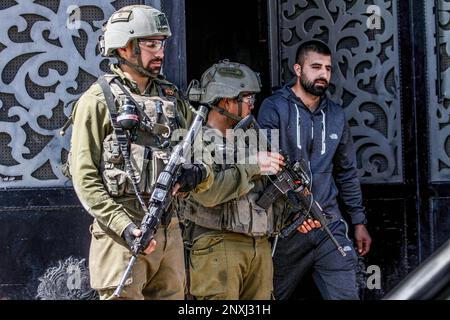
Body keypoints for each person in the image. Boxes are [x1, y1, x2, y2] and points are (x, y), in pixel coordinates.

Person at [68, 5, 212, 300]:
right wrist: (124, 227)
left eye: (161, 44)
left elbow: (204, 150)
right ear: (123, 47)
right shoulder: (98, 100)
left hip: (169, 233)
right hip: (122, 236)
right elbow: (84, 177)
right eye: (150, 44)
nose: (159, 52)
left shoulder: (172, 98)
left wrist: (198, 173)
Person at [176, 60, 320, 300]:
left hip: (259, 247)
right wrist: (254, 165)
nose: (253, 105)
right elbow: (208, 194)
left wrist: (296, 214)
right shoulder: (195, 141)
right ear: (226, 101)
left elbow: (265, 194)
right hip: (217, 246)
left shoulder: (252, 138)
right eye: (247, 99)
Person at [258, 40, 372, 300]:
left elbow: (346, 171)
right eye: (316, 67)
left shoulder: (336, 114)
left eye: (328, 69)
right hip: (285, 230)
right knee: (267, 297)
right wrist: (295, 211)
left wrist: (358, 221)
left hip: (328, 226)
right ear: (298, 69)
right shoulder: (274, 107)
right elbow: (264, 169)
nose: (323, 74)